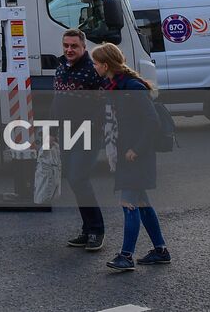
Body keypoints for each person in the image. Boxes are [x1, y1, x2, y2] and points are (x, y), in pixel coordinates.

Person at [91, 42, 170, 272]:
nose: (94, 67)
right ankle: (160, 250)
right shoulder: (115, 86)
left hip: (136, 155)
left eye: (96, 64)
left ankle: (126, 256)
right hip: (127, 154)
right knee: (143, 204)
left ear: (106, 65)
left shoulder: (132, 87)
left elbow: (152, 121)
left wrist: (136, 148)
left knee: (129, 204)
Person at [53, 28, 105, 252]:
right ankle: (87, 230)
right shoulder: (61, 67)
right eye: (66, 45)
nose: (69, 49)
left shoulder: (93, 70)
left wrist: (93, 126)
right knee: (74, 181)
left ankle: (96, 230)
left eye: (74, 46)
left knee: (79, 178)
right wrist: (50, 130)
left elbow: (105, 103)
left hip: (87, 133)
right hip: (65, 132)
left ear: (84, 47)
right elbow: (57, 101)